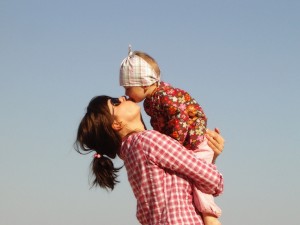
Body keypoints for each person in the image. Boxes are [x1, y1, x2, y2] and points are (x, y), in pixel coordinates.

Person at [75, 95, 224, 225]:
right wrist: (207, 150)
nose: (122, 98)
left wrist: (211, 156)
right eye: (115, 103)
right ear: (116, 124)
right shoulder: (148, 141)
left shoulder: (131, 152)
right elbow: (212, 179)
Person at [119, 47, 222, 225]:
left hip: (194, 141)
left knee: (200, 185)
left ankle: (210, 217)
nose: (126, 94)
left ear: (143, 83)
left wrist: (174, 145)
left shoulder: (165, 96)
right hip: (186, 144)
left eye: (128, 88)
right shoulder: (151, 103)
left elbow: (180, 119)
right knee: (195, 180)